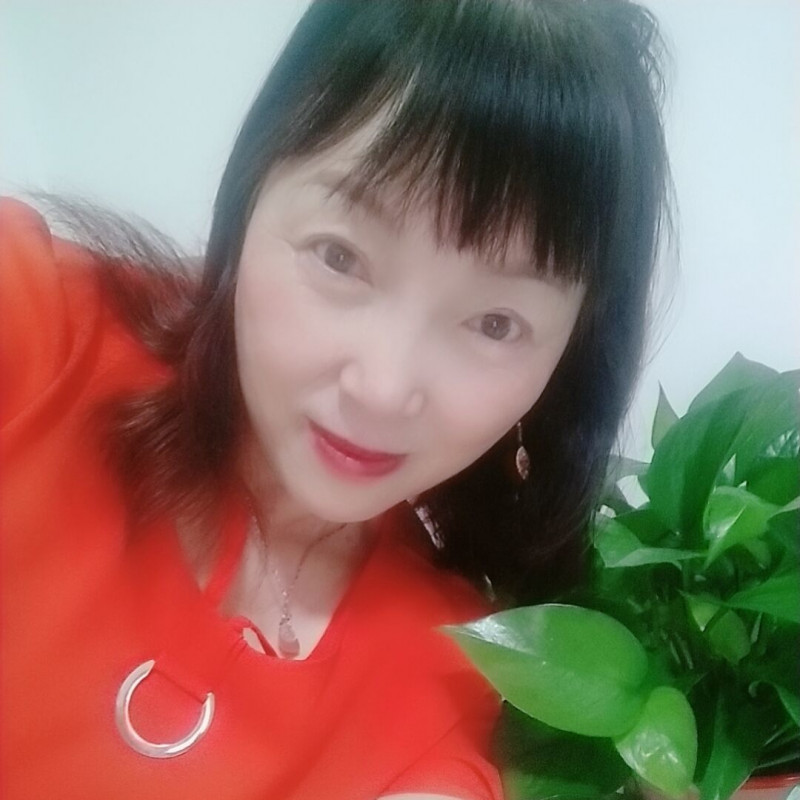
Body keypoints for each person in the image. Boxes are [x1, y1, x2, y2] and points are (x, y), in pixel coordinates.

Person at [0, 1, 670, 798]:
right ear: (250, 196)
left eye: (496, 323)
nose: (383, 389)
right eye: (340, 256)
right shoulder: (42, 329)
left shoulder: (450, 672)